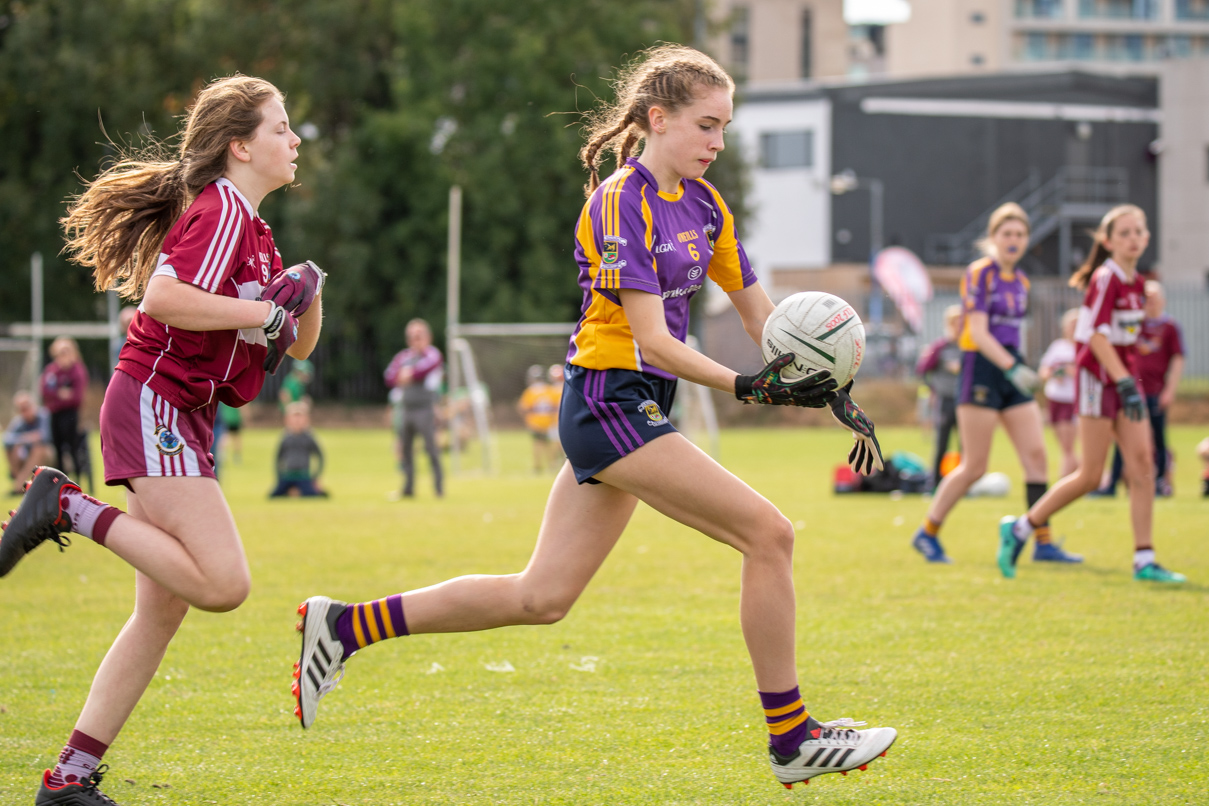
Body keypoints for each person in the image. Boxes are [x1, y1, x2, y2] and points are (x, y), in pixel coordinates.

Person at [292, 44, 895, 790]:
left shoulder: (706, 206)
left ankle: (346, 625)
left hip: (636, 406)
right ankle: (791, 737)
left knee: (541, 597)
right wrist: (752, 389)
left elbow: (761, 320)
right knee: (767, 535)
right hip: (610, 402)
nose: (716, 142)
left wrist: (821, 378)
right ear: (657, 118)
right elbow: (651, 339)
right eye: (705, 126)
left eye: (724, 129)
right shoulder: (621, 199)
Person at [0, 75, 325, 805]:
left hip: (179, 412)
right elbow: (165, 299)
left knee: (162, 610)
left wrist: (306, 290)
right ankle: (65, 508)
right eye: (280, 128)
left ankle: (69, 780)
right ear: (240, 146)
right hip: (157, 400)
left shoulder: (253, 227)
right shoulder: (219, 212)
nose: (295, 139)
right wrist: (263, 312)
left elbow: (295, 348)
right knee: (222, 584)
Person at [998, 205, 1184, 583]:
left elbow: (1124, 341)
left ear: (1147, 238)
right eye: (1125, 232)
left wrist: (1129, 380)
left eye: (1138, 231)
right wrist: (1124, 381)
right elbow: (1094, 336)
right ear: (1108, 241)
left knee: (1143, 465)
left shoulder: (1138, 284)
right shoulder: (1106, 277)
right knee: (1090, 474)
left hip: (1123, 382)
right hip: (1098, 381)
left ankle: (1144, 560)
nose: (1133, 238)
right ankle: (1020, 528)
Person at [909, 203, 1079, 567]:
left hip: (1011, 368)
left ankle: (1043, 542)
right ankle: (927, 532)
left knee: (1036, 457)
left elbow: (1013, 333)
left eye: (1020, 234)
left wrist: (1019, 367)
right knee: (974, 465)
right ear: (994, 238)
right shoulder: (980, 273)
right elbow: (980, 333)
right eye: (1007, 234)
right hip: (983, 368)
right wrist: (1012, 367)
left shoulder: (1021, 281)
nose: (1014, 241)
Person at [1095, 280, 1184, 497]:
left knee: (1158, 438)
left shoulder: (1169, 326)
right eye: (1146, 298)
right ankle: (1112, 484)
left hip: (1155, 391)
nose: (1150, 302)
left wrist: (1170, 390)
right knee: (1121, 439)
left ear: (1163, 300)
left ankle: (1160, 484)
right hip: (1131, 390)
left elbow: (1178, 359)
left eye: (1154, 298)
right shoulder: (1136, 324)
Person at [384, 319, 443, 498]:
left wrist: (410, 374)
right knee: (406, 451)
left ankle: (438, 489)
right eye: (411, 337)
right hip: (406, 408)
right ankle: (408, 488)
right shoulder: (403, 356)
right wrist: (404, 376)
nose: (415, 340)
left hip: (425, 409)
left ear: (427, 337)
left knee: (431, 449)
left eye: (418, 336)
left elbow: (425, 369)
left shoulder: (432, 354)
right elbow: (390, 376)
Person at [915, 304, 963, 490]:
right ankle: (934, 483)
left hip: (965, 402)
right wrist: (933, 389)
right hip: (945, 401)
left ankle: (962, 486)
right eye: (956, 322)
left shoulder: (969, 347)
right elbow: (922, 370)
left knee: (965, 447)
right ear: (950, 324)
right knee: (941, 444)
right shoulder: (941, 347)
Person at [40, 337, 92, 491]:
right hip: (55, 414)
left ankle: (77, 481)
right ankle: (60, 482)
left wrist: (58, 395)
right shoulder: (52, 371)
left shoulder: (77, 370)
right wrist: (60, 394)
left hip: (71, 415)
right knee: (57, 447)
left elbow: (76, 396)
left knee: (73, 448)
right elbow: (45, 391)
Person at [1038, 308, 1080, 479]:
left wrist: (1072, 372)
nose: (1074, 328)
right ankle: (1095, 477)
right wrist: (1053, 374)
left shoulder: (1085, 347)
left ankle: (1064, 481)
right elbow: (1044, 371)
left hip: (1074, 399)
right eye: (1071, 324)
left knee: (1068, 447)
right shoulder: (1057, 346)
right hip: (1056, 398)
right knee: (1065, 447)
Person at [269, 401, 327, 498]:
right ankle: (293, 492)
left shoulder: (309, 437)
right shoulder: (285, 437)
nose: (297, 421)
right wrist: (279, 476)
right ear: (287, 419)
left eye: (300, 417)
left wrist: (316, 477)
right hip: (287, 475)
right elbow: (278, 459)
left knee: (312, 494)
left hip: (303, 475)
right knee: (274, 495)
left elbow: (320, 456)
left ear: (306, 419)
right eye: (294, 418)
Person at [4, 391, 53, 496]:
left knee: (38, 448)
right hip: (27, 457)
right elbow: (6, 440)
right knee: (12, 449)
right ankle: (21, 484)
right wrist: (27, 438)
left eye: (26, 408)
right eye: (21, 410)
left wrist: (26, 439)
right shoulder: (19, 422)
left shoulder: (43, 415)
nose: (25, 412)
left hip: (50, 456)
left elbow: (45, 437)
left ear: (33, 405)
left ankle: (19, 485)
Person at [517, 364, 560, 473]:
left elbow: (523, 407)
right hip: (549, 421)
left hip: (535, 422)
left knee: (537, 444)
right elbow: (556, 406)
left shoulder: (530, 391)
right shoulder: (550, 389)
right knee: (550, 445)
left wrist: (527, 419)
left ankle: (537, 466)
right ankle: (552, 465)